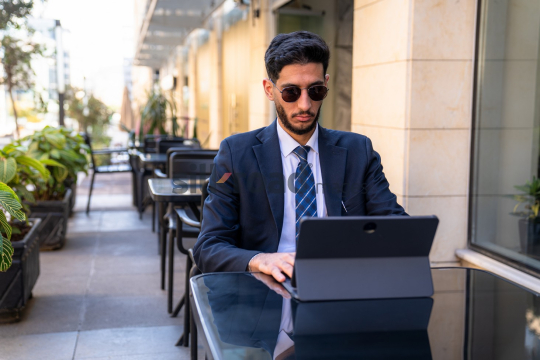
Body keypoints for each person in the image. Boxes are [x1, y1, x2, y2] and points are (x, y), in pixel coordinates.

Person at [193, 30, 407, 282]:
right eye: (291, 92)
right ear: (269, 90)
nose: (305, 105)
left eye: (315, 91)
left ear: (326, 84)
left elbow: (396, 227)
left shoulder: (358, 151)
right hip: (264, 289)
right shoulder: (235, 155)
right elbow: (209, 246)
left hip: (341, 287)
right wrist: (258, 260)